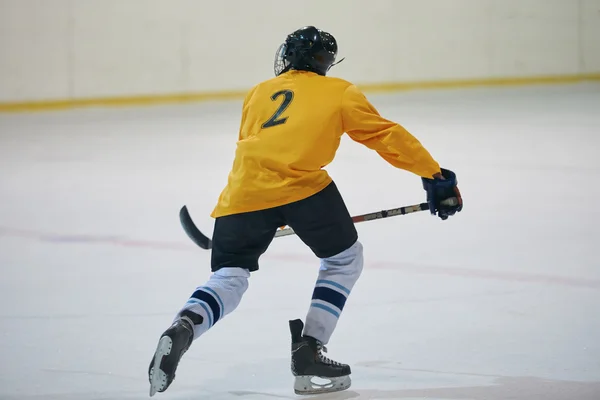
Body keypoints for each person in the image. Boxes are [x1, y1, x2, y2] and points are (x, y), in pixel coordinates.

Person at [148, 25, 462, 397]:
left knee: (228, 276)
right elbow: (384, 135)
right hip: (303, 191)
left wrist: (252, 216)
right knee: (344, 260)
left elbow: (256, 144)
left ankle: (185, 325)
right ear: (325, 62)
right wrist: (435, 175)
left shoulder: (258, 91)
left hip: (242, 194)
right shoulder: (339, 90)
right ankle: (309, 348)